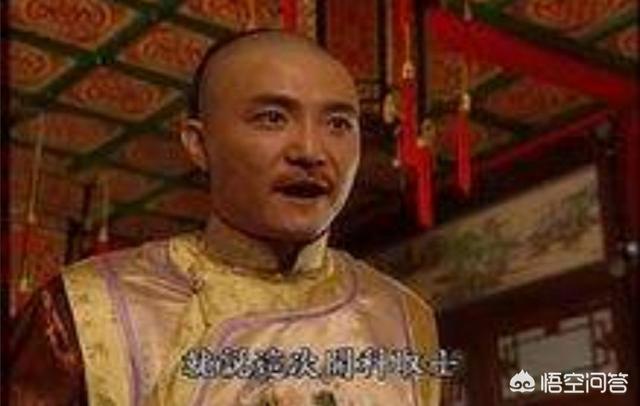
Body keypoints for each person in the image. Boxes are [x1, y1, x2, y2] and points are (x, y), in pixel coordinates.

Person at [9, 30, 440, 405]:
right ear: (198, 144)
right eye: (272, 118)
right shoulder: (88, 308)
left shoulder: (401, 317)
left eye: (339, 124)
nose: (311, 151)